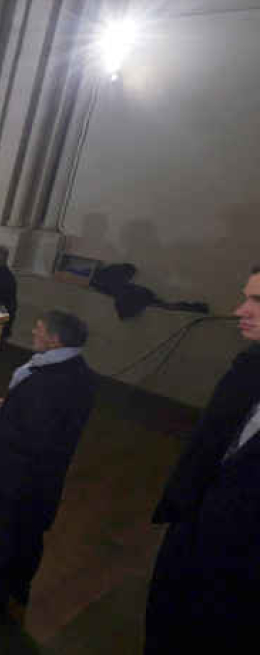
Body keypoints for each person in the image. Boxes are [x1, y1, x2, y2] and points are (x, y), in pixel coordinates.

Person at [144, 267, 260, 654]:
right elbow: (206, 447)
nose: (240, 310)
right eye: (246, 297)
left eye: (257, 301)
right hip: (192, 530)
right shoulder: (247, 366)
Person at [0, 310, 95, 613]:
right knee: (29, 535)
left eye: (39, 329)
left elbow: (29, 438)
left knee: (8, 535)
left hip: (19, 477)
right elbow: (49, 419)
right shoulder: (78, 371)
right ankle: (19, 587)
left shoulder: (47, 381)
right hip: (45, 478)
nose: (33, 332)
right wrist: (8, 404)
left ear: (55, 340)